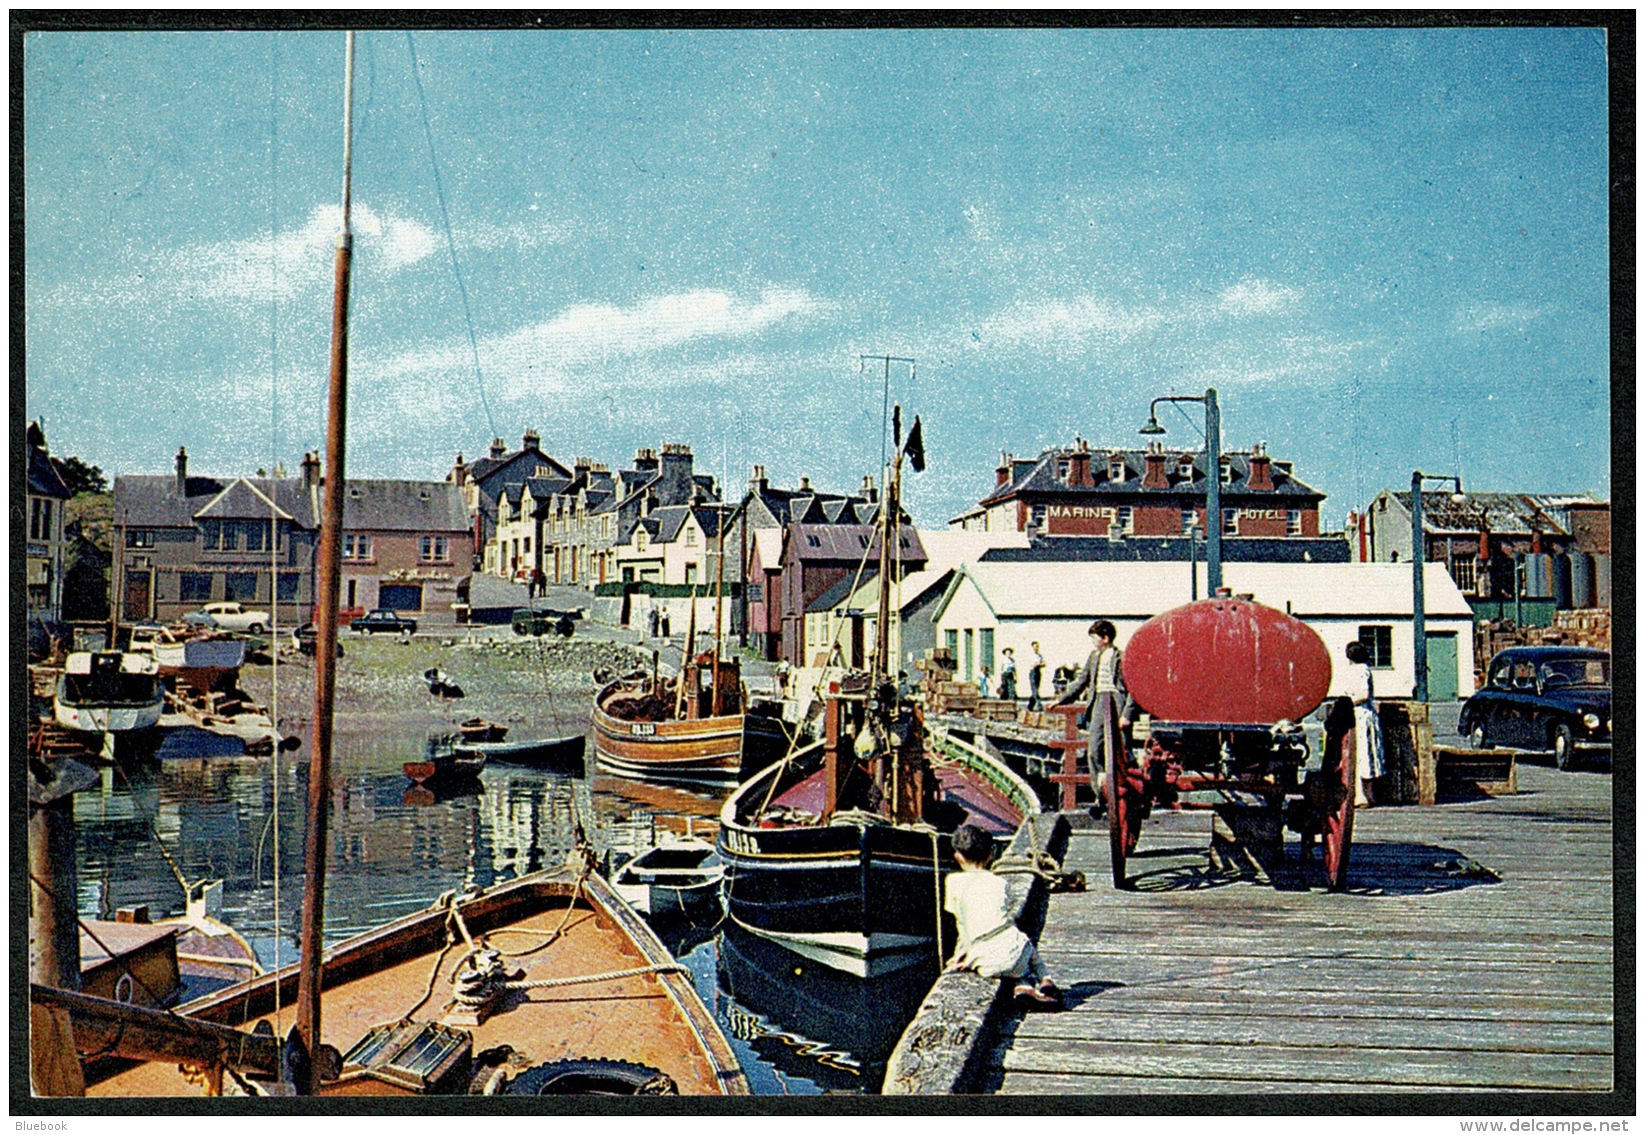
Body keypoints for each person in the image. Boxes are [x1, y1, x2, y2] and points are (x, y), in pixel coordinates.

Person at [944, 824, 1061, 1008]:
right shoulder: (1000, 882)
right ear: (992, 854)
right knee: (1024, 944)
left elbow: (962, 924)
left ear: (957, 856)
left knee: (1006, 955)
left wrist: (960, 955)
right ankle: (1045, 980)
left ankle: (1024, 989)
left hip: (984, 963)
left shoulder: (952, 882)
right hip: (1014, 956)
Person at [1051, 619, 1137, 807]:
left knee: (1123, 750)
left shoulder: (1122, 657)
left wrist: (1127, 715)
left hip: (1117, 701)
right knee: (1094, 749)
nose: (1093, 642)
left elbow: (1133, 688)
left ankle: (1132, 791)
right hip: (1099, 701)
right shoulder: (1093, 657)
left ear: (1105, 638)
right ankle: (1101, 794)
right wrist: (1061, 699)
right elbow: (1082, 681)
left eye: (1095, 638)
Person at [1343, 641, 1385, 806]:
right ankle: (1367, 794)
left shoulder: (1360, 670)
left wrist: (1347, 703)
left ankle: (1363, 795)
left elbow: (1364, 694)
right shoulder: (1363, 669)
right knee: (1364, 754)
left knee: (1362, 754)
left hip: (1361, 715)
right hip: (1361, 714)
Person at [1026, 641, 1046, 712]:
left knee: (1036, 689)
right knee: (1034, 689)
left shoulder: (1039, 655)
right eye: (1034, 647)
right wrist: (1037, 664)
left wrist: (1039, 664)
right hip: (1033, 672)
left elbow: (1044, 663)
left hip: (1038, 671)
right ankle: (1039, 704)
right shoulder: (1031, 656)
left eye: (1037, 647)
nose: (1036, 648)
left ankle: (1030, 706)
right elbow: (1032, 665)